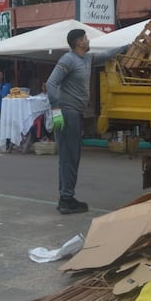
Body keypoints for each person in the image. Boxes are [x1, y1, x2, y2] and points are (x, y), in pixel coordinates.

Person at [46, 29, 127, 214]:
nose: (88, 40)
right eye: (85, 38)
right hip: (67, 113)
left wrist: (126, 47)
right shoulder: (68, 59)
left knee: (72, 157)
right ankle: (67, 199)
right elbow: (51, 83)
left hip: (75, 113)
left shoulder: (86, 59)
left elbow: (105, 55)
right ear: (79, 42)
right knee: (69, 157)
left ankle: (65, 197)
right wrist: (56, 108)